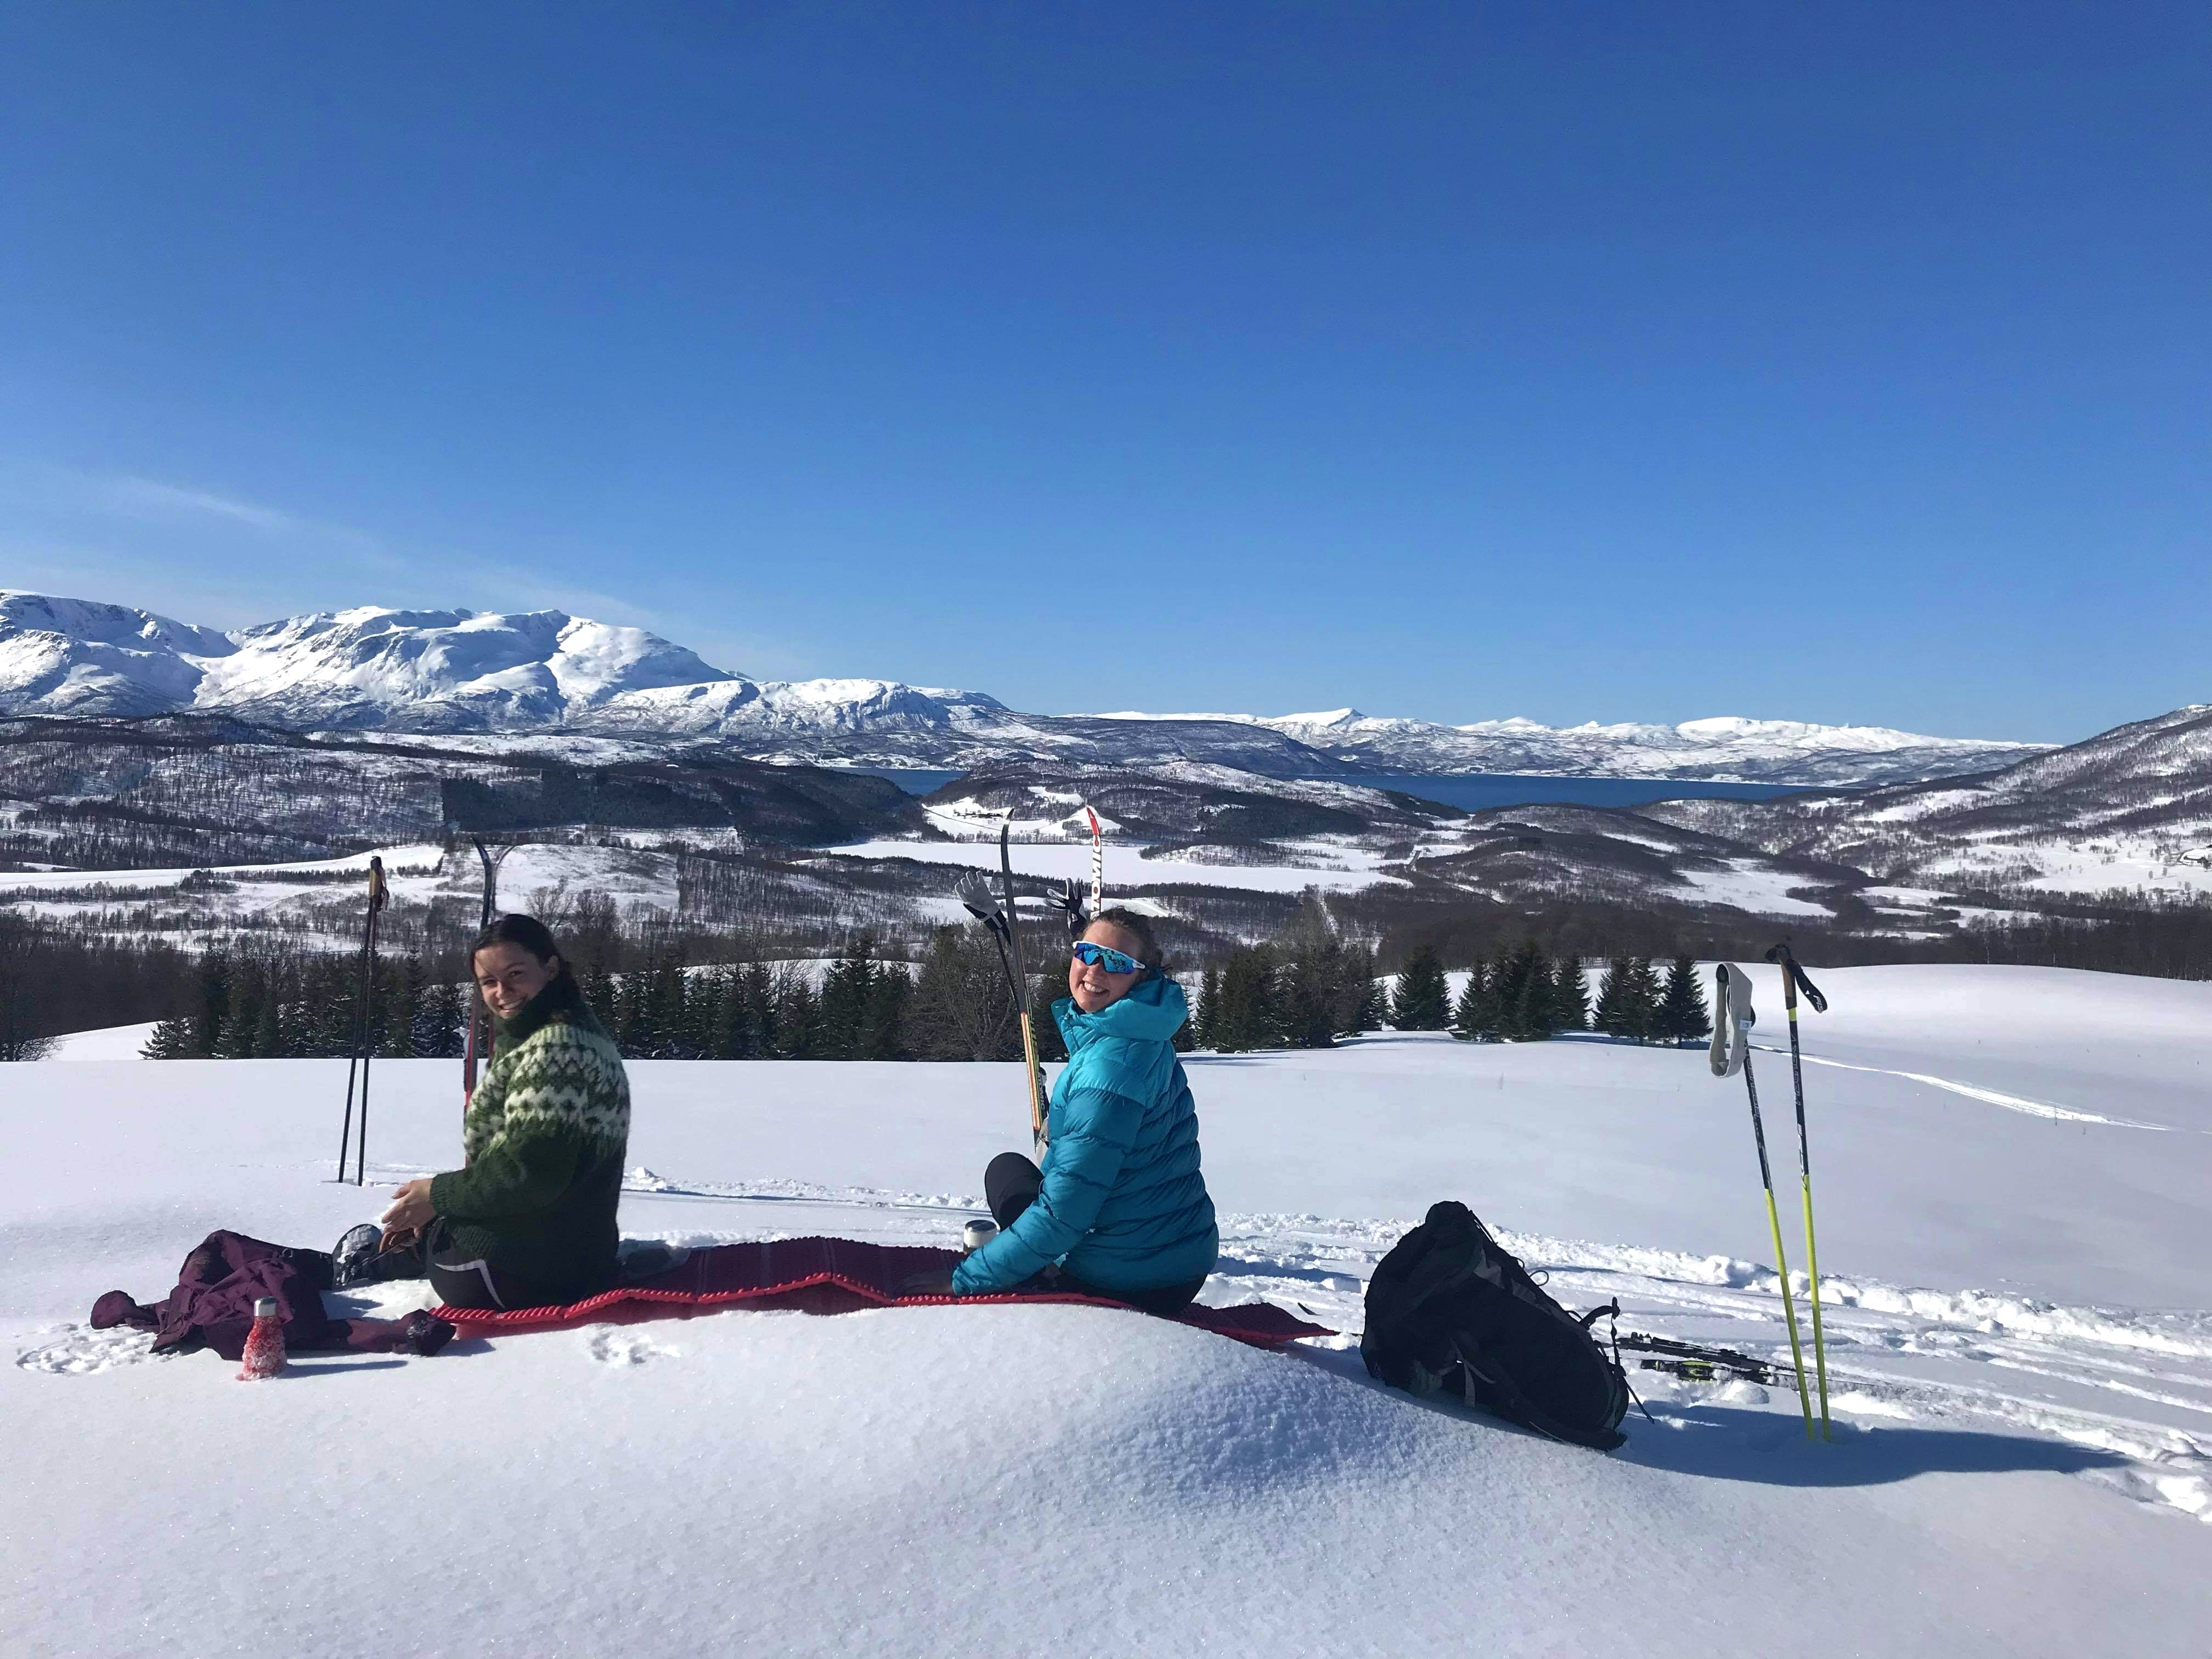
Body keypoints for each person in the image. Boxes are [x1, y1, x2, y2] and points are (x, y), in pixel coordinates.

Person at [932, 908, 1218, 1314]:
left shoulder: (1108, 1070)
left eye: (1116, 962)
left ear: (1140, 976)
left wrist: (966, 1280)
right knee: (1009, 1171)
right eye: (1087, 951)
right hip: (1181, 1251)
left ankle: (1042, 1272)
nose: (1094, 970)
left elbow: (1066, 1211)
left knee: (1016, 1181)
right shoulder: (1143, 1031)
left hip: (1132, 1279)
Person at [355, 915, 631, 1311]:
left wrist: (437, 1195)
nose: (503, 992)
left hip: (531, 1271)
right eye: (489, 982)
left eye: (516, 974)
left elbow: (530, 1174)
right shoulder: (558, 1029)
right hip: (570, 1249)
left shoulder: (554, 1049)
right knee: (432, 1219)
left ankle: (393, 1258)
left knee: (435, 1230)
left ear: (550, 967)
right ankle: (416, 1244)